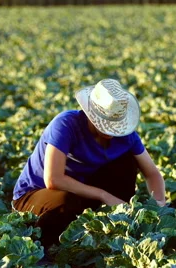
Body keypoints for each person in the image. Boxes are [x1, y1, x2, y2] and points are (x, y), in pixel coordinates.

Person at [12, 78, 166, 251]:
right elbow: (53, 180)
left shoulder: (125, 135)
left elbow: (152, 173)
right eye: (106, 122)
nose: (110, 129)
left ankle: (117, 225)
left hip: (82, 191)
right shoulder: (66, 124)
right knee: (66, 201)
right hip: (36, 194)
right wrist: (103, 195)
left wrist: (159, 204)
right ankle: (45, 248)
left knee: (127, 162)